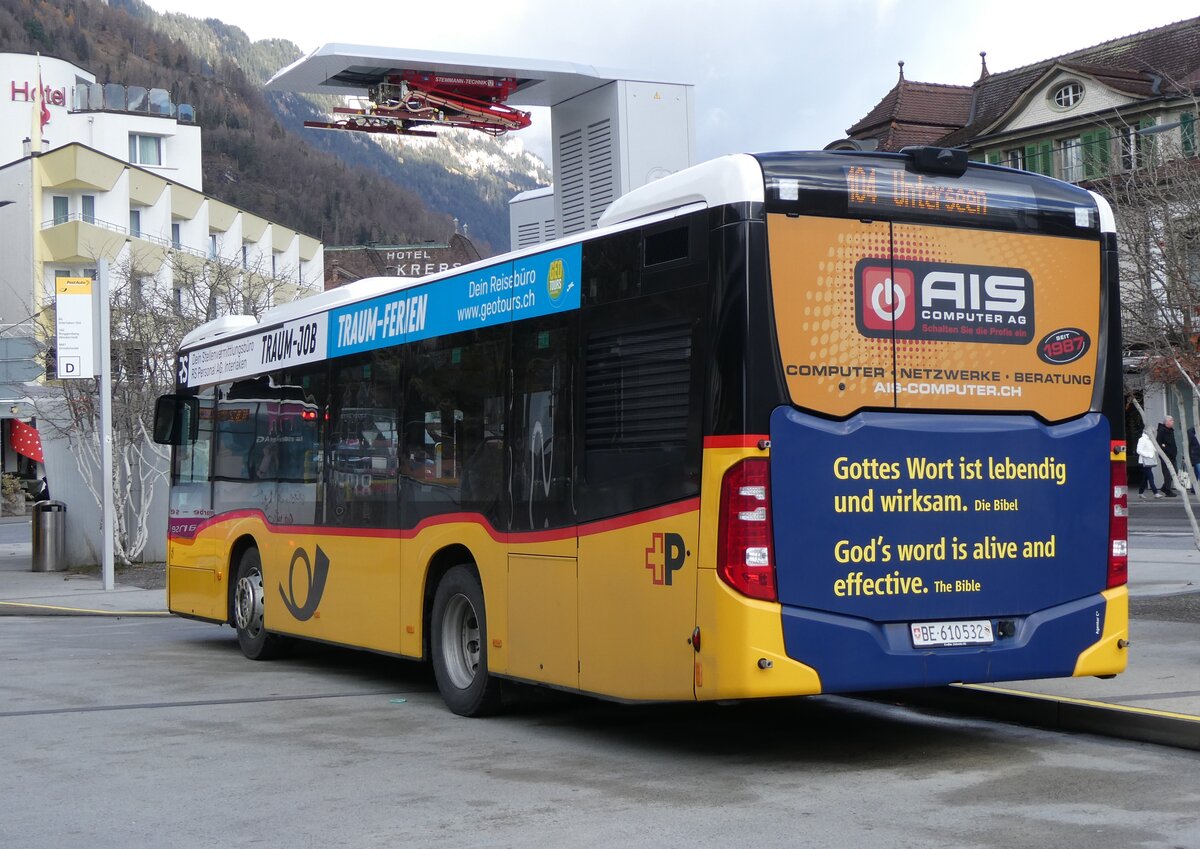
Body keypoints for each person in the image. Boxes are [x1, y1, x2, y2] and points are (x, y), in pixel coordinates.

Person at [1137, 428, 1162, 499]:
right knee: (1150, 476)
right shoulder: (1142, 439)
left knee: (1145, 478)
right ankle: (1155, 493)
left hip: (1149, 461)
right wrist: (1148, 455)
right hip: (1144, 461)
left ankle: (1140, 492)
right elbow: (1138, 450)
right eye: (1152, 432)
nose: (1153, 433)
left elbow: (1154, 449)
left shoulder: (1150, 440)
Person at [1157, 416, 1179, 497]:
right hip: (1165, 456)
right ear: (1166, 422)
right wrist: (1165, 448)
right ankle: (1168, 490)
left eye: (1172, 420)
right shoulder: (1162, 430)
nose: (1173, 421)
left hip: (1172, 456)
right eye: (1171, 420)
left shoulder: (1170, 430)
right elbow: (1158, 443)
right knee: (1167, 473)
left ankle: (1165, 488)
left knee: (1175, 472)